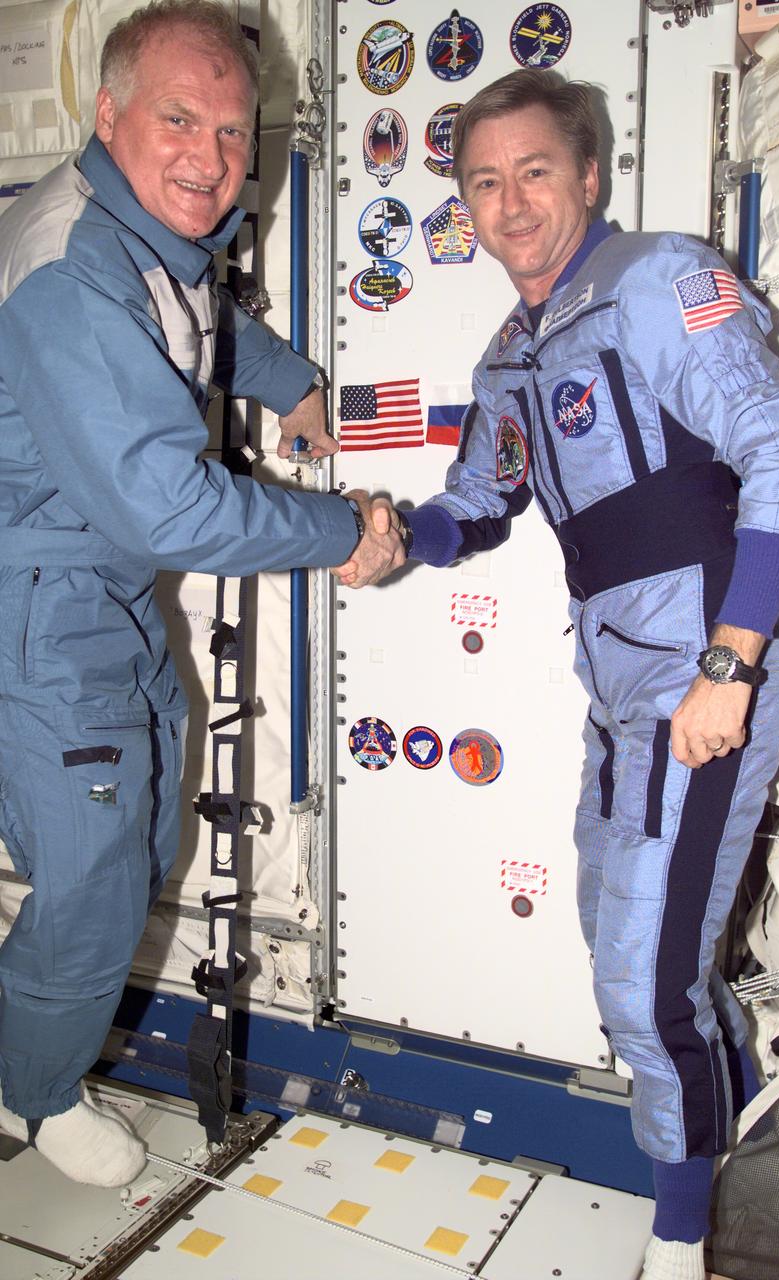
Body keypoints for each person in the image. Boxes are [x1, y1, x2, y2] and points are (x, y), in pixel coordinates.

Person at [335, 69, 779, 1280]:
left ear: (590, 174)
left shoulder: (656, 281)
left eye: (534, 172)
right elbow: (481, 501)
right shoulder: (511, 349)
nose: (509, 204)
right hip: (618, 687)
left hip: (704, 673)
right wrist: (395, 533)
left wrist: (729, 660)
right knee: (639, 947)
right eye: (485, 182)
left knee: (640, 973)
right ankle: (731, 1175)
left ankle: (678, 1243)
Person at [0, 0, 402, 1188]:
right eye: (181, 119)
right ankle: (32, 1092)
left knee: (134, 833)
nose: (212, 158)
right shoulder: (70, 268)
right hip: (39, 601)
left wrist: (295, 389)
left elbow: (206, 322)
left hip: (98, 593)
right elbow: (165, 505)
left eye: (233, 132)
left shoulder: (149, 239)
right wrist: (336, 533)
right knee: (95, 874)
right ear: (108, 111)